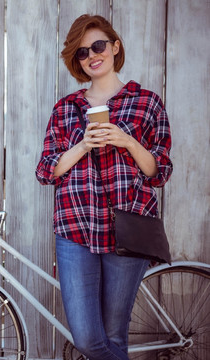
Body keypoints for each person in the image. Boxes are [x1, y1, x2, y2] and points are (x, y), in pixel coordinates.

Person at [35, 14, 173, 359]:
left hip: (128, 227)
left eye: (98, 46)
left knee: (114, 336)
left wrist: (127, 141)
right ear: (76, 61)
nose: (92, 55)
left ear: (114, 47)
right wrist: (81, 146)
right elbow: (45, 171)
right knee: (87, 340)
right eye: (82, 52)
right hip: (75, 228)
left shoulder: (146, 102)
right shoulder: (66, 109)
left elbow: (159, 172)